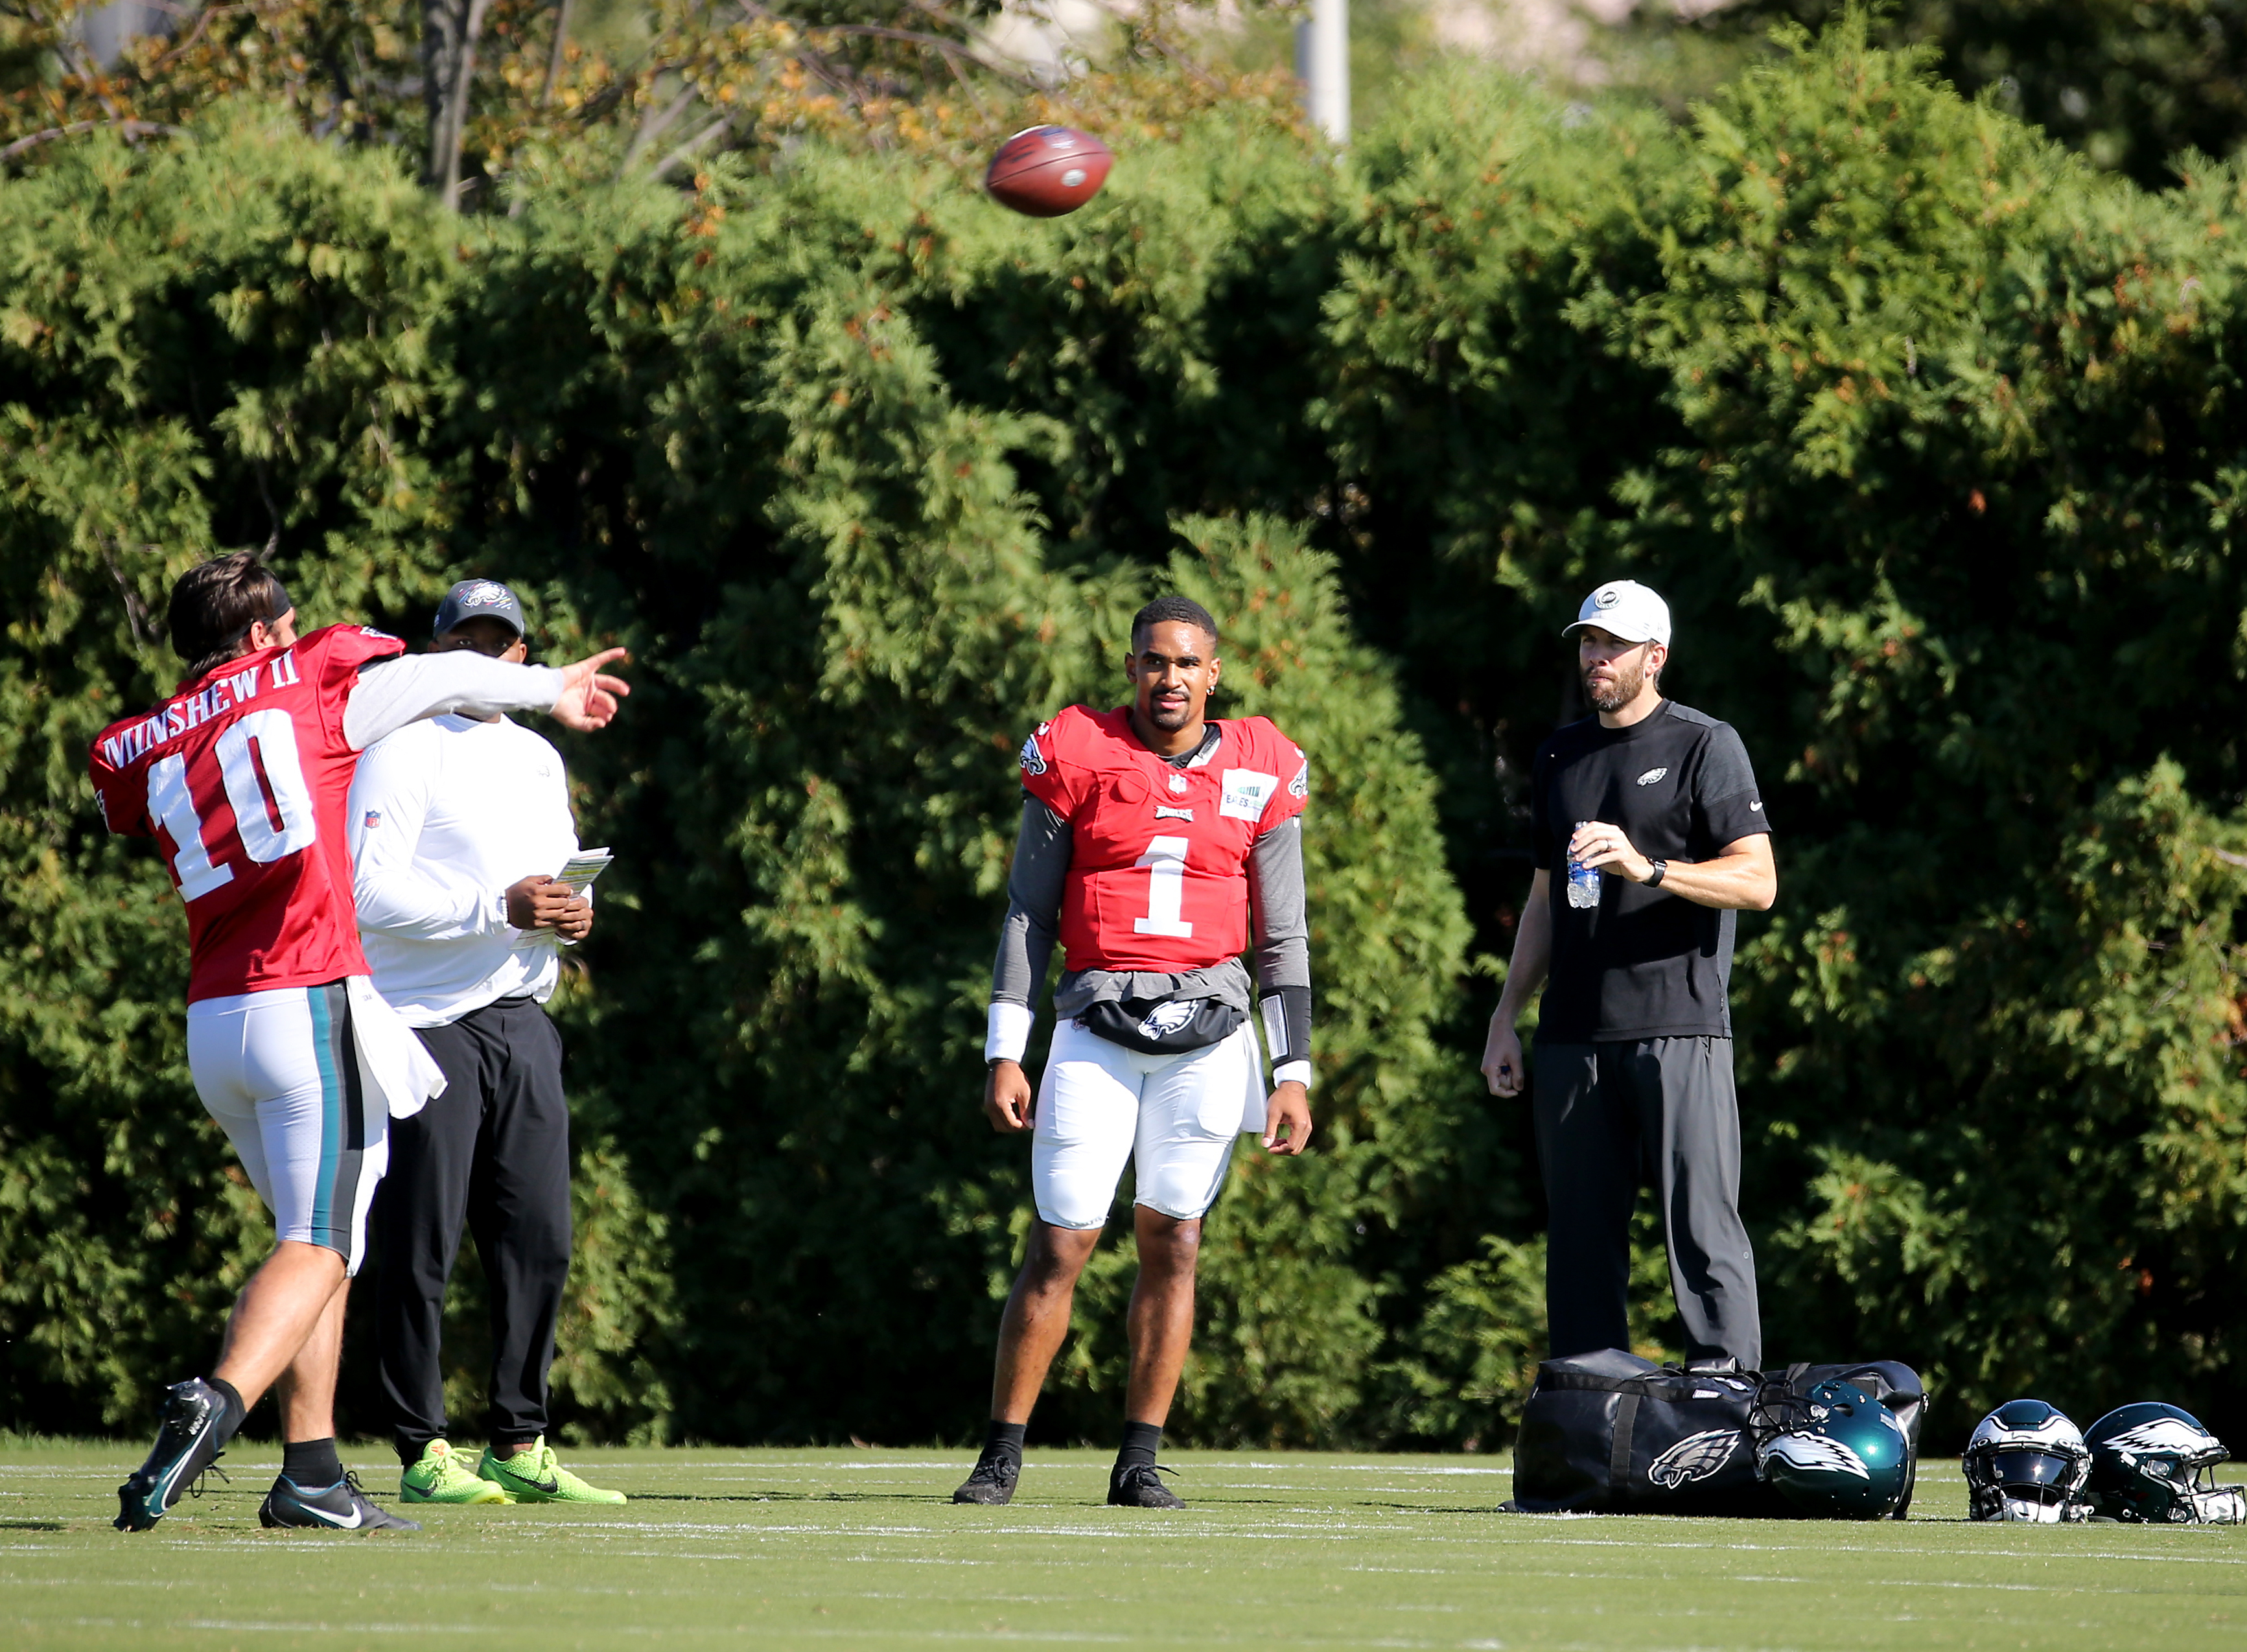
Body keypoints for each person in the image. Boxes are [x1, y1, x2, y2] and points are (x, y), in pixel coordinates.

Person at [88, 553, 629, 1533]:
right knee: (327, 1240)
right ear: (261, 638)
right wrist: (553, 687)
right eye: (284, 626)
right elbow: (449, 678)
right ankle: (218, 1401)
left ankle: (311, 1469)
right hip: (304, 998)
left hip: (213, 1016)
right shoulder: (309, 678)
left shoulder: (142, 740)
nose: (296, 636)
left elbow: (115, 798)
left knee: (317, 1241)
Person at [953, 596, 1315, 1511]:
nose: (1170, 679)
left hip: (1208, 1032)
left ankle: (1138, 1460)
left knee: (1176, 1240)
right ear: (1130, 667)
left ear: (1213, 674)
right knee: (1062, 1241)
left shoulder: (1260, 765)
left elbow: (1283, 938)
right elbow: (1029, 912)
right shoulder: (1075, 749)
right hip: (1094, 1023)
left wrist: (1293, 1071)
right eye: (1155, 662)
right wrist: (1007, 1048)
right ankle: (1000, 1454)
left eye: (1187, 663)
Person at [347, 579, 624, 1507]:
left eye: (497, 643)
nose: (482, 656)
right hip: (425, 1023)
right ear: (435, 654)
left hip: (521, 1016)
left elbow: (548, 881)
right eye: (462, 641)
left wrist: (569, 913)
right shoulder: (400, 746)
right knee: (421, 1244)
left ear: (520, 657)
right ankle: (422, 1449)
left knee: (539, 1240)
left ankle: (519, 1438)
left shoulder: (540, 758)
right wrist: (492, 907)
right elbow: (366, 894)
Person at [1480, 579, 1776, 1370]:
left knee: (1703, 1236)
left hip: (1679, 1026)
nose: (1595, 657)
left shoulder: (1705, 744)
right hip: (1571, 1036)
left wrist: (1649, 869)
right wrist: (1507, 1015)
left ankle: (1726, 1414)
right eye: (1586, 641)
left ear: (1656, 655)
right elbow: (1543, 895)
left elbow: (1756, 881)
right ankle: (1585, 1438)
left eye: (1611, 644)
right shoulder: (1558, 752)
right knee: (1578, 1250)